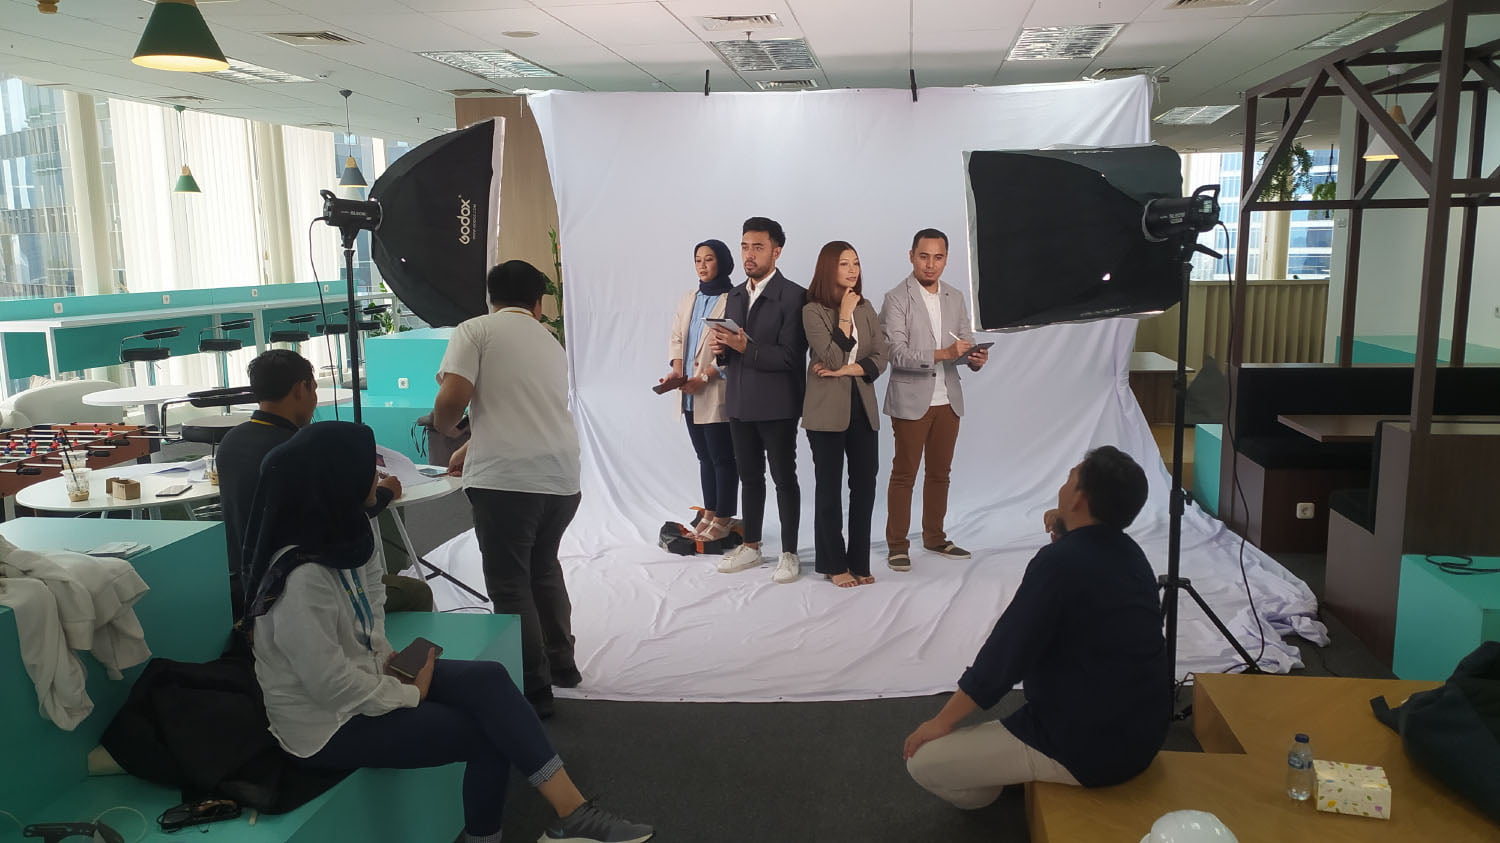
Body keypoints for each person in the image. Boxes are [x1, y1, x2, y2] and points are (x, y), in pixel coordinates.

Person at [245, 421, 654, 843]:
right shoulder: (301, 578)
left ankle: (572, 813)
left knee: (489, 678)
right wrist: (408, 693)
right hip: (324, 727)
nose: (379, 475)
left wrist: (388, 661)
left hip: (362, 679)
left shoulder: (349, 531)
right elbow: (330, 687)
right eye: (369, 467)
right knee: (484, 734)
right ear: (339, 478)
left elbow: (371, 606)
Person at [902, 446, 1170, 809]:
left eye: (1070, 479)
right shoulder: (1131, 554)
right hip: (1144, 736)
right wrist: (1065, 528)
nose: (1063, 486)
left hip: (1084, 746)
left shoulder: (1059, 563)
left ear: (1079, 499)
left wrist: (941, 721)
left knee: (923, 761)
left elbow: (1005, 655)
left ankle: (1008, 785)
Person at [433, 260, 581, 719]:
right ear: (538, 304)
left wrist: (448, 431)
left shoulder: (475, 330)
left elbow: (453, 397)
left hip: (508, 482)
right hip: (561, 478)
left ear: (490, 298)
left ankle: (533, 688)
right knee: (543, 569)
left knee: (510, 584)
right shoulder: (550, 341)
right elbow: (525, 408)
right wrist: (474, 444)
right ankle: (563, 664)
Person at [217, 349, 430, 622]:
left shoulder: (231, 441)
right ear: (300, 389)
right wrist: (385, 491)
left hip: (246, 581)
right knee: (416, 592)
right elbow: (346, 517)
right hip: (297, 583)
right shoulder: (301, 451)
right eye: (314, 389)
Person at [879, 228, 990, 572]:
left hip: (948, 399)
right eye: (924, 256)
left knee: (940, 474)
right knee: (904, 474)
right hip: (910, 399)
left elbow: (964, 343)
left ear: (946, 259)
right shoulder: (896, 298)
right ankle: (897, 545)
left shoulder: (955, 296)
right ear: (911, 256)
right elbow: (896, 353)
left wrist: (974, 358)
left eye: (938, 257)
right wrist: (945, 353)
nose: (930, 264)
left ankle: (935, 537)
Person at [710, 217, 808, 584]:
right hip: (739, 401)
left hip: (778, 404)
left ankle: (789, 552)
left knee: (784, 479)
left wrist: (743, 347)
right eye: (745, 247)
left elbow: (791, 357)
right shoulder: (734, 295)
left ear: (776, 251)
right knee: (749, 478)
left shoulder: (794, 296)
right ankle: (751, 546)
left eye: (758, 247)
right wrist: (722, 350)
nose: (749, 255)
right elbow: (730, 355)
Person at [801, 241, 888, 588]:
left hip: (862, 408)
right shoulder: (813, 310)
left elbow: (881, 357)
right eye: (844, 264)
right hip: (825, 411)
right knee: (829, 490)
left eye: (856, 263)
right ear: (828, 268)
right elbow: (832, 356)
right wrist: (843, 315)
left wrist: (843, 372)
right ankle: (833, 564)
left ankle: (859, 561)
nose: (853, 270)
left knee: (865, 487)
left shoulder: (866, 307)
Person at [663, 239, 737, 543]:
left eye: (709, 259)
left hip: (715, 389)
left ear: (722, 262)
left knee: (722, 457)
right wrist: (677, 372)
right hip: (688, 391)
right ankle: (710, 510)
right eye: (698, 260)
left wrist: (704, 377)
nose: (702, 266)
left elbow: (733, 352)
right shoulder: (688, 298)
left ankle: (724, 516)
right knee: (704, 456)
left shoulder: (735, 299)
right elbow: (678, 338)